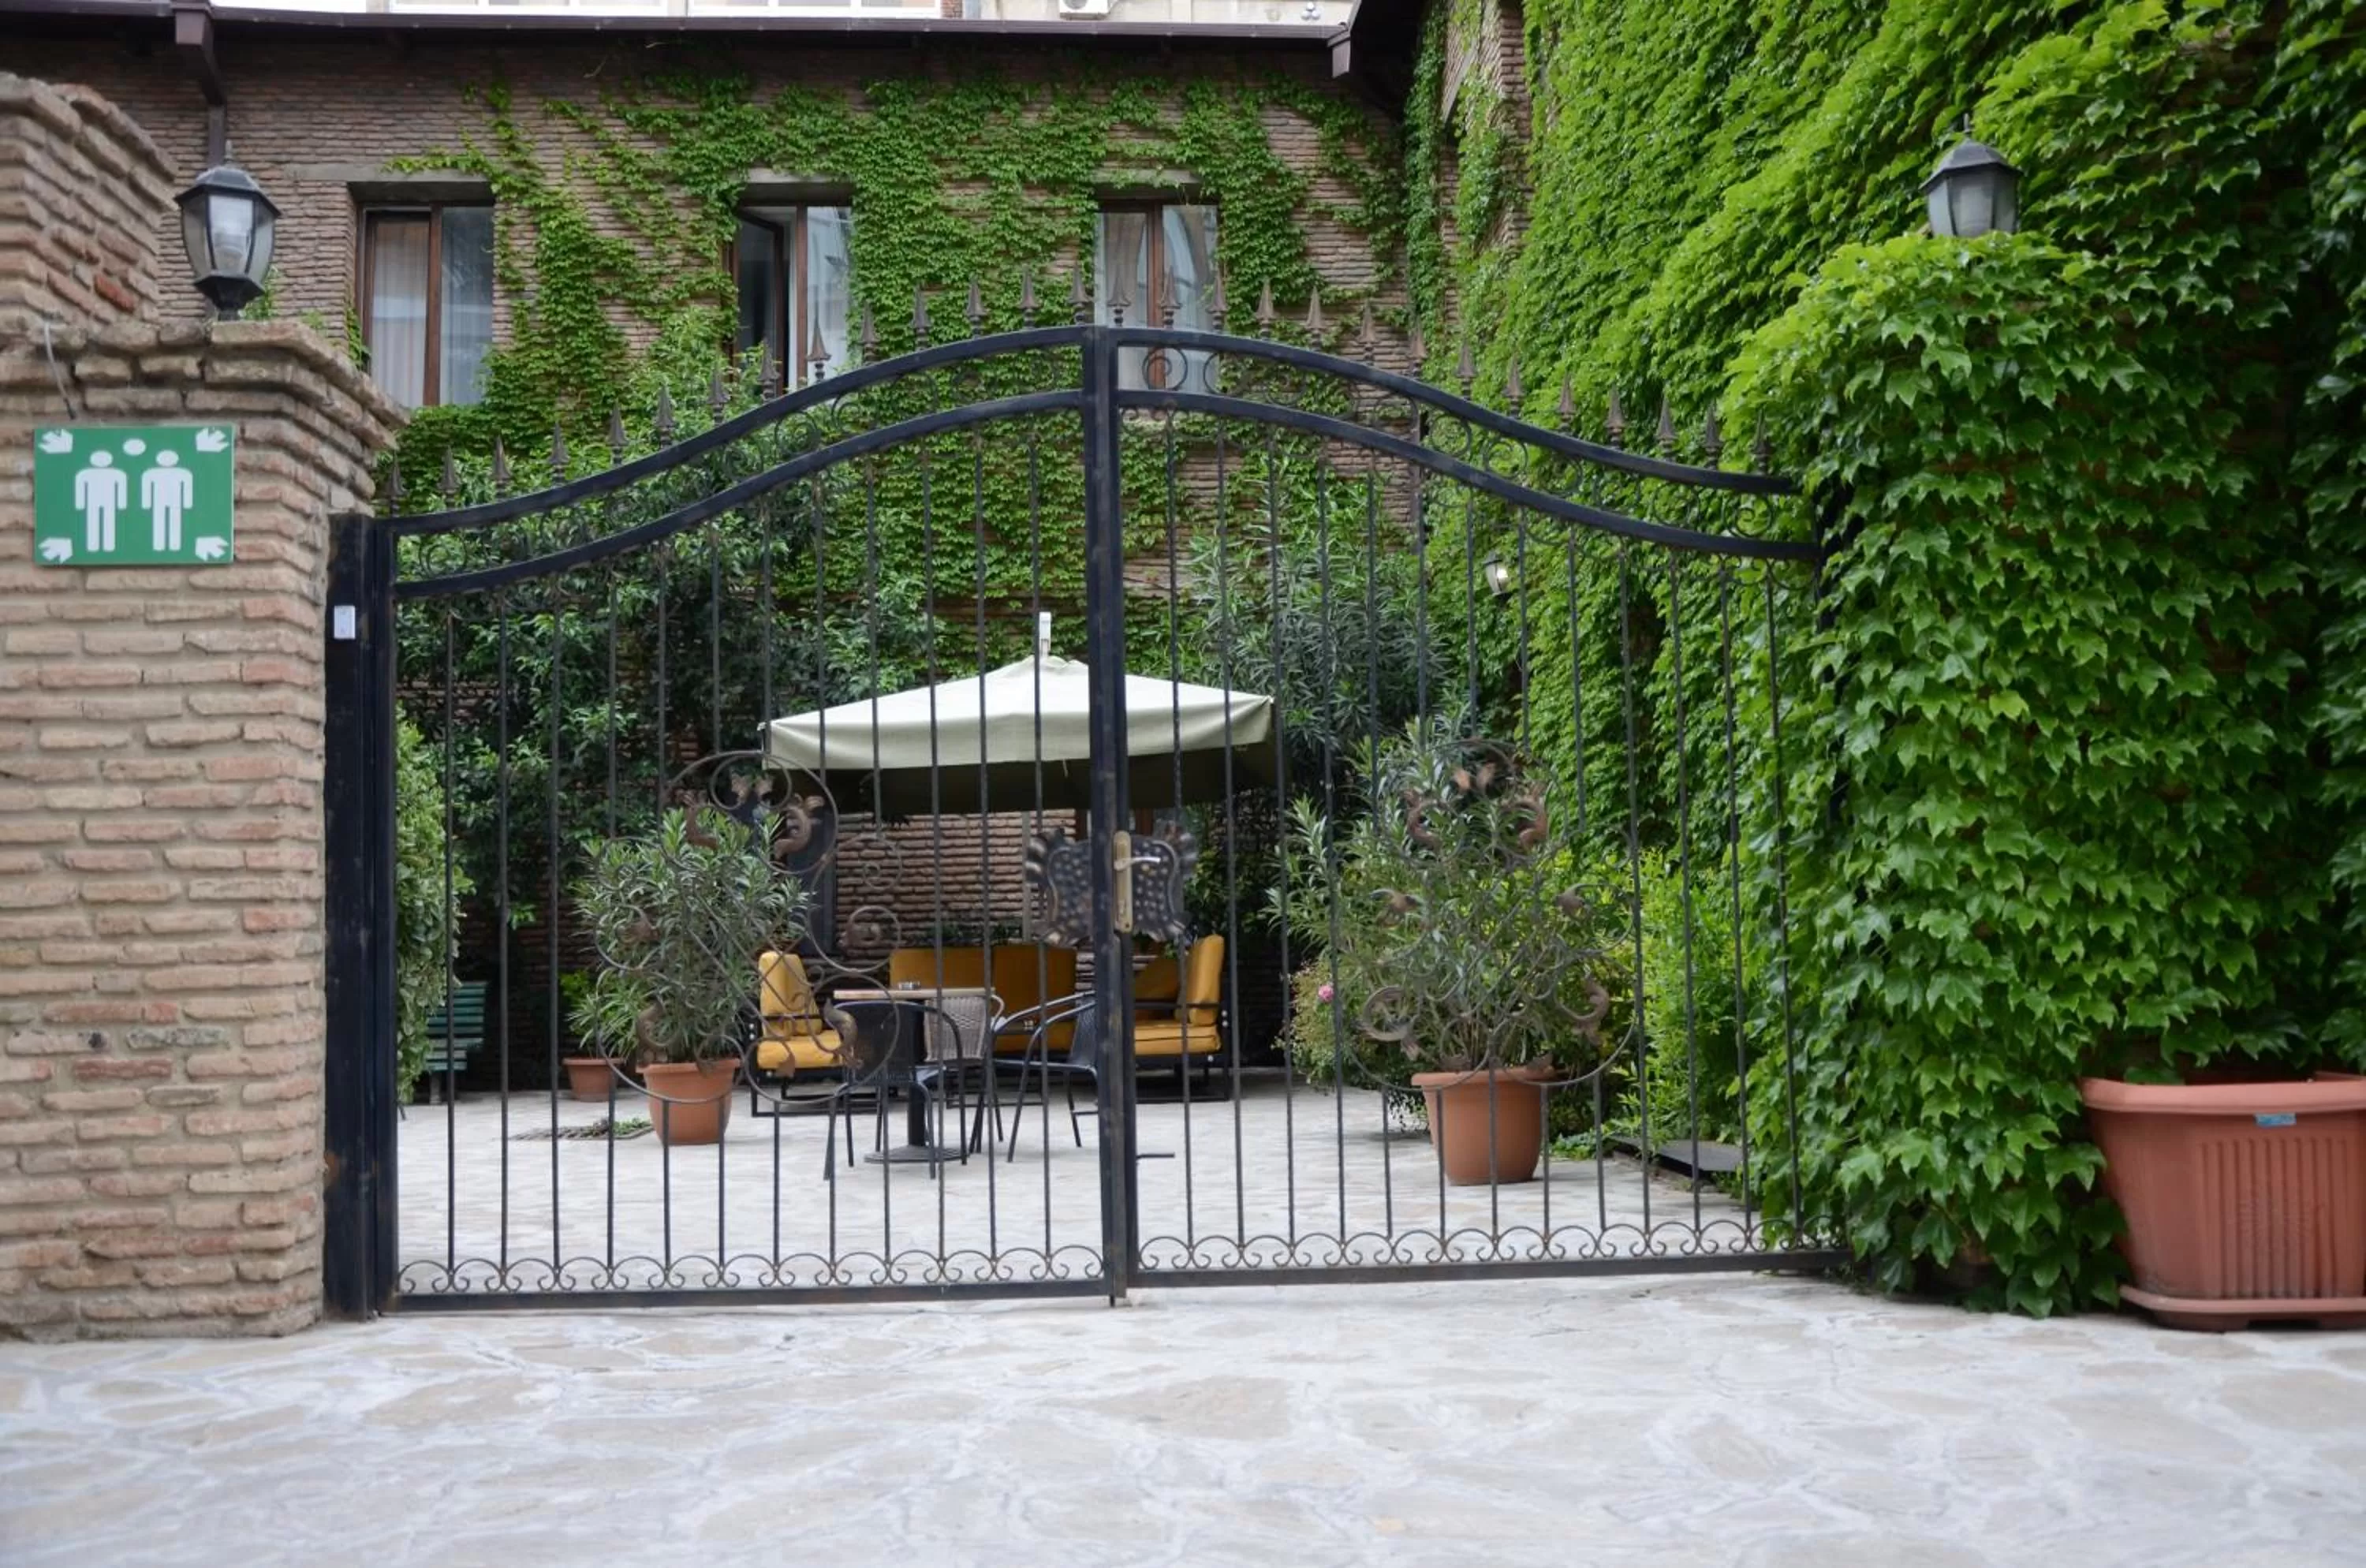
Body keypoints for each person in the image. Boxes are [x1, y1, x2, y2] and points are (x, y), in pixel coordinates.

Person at [73, 450, 125, 553]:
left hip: (109, 502)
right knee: (93, 522)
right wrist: (80, 504)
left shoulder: (117, 474)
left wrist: (121, 503)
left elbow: (121, 489)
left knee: (108, 522)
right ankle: (93, 545)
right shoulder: (84, 474)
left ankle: (109, 545)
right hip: (92, 502)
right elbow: (80, 489)